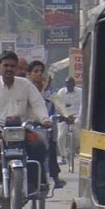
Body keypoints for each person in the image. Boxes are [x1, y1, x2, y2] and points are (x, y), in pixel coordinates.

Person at [0, 51, 52, 197]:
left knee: (40, 144)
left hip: (22, 128)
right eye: (6, 65)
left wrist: (45, 119)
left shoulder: (26, 85)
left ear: (16, 68)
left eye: (12, 66)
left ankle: (37, 182)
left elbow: (38, 104)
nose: (9, 69)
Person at [28, 60, 66, 189]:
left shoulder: (49, 91)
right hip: (26, 126)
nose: (39, 74)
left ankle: (54, 177)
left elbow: (58, 103)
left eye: (41, 72)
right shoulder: (25, 89)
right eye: (36, 71)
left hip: (43, 125)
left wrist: (67, 115)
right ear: (30, 74)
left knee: (50, 145)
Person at [53, 76, 83, 162]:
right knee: (61, 136)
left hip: (76, 116)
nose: (69, 86)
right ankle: (63, 155)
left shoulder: (80, 92)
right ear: (65, 84)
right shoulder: (60, 92)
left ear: (74, 84)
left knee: (78, 132)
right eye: (67, 84)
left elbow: (82, 106)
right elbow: (58, 106)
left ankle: (77, 147)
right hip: (64, 117)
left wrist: (78, 117)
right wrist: (66, 116)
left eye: (71, 84)